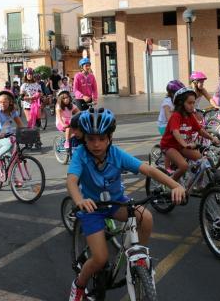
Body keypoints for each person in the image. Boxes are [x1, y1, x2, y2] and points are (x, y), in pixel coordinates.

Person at [67, 108, 185, 300]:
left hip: (116, 202)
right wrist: (80, 200)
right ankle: (78, 285)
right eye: (91, 139)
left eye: (102, 139)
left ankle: (140, 261)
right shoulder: (81, 154)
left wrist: (175, 185)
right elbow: (72, 180)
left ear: (110, 137)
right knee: (99, 259)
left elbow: (149, 170)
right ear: (84, 139)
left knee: (145, 216)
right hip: (92, 208)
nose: (96, 144)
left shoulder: (116, 154)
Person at [160, 87, 220, 182]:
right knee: (184, 166)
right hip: (170, 146)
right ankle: (170, 184)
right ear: (181, 103)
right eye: (189, 103)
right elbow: (175, 132)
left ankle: (197, 185)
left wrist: (212, 138)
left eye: (193, 103)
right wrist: (184, 144)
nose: (192, 105)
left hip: (183, 146)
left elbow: (200, 130)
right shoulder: (176, 116)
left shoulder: (190, 116)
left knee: (202, 161)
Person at [0, 90, 24, 178]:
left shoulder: (13, 112)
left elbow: (20, 124)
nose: (2, 104)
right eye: (0, 102)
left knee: (14, 157)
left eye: (4, 102)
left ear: (10, 102)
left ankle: (14, 178)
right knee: (8, 144)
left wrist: (26, 133)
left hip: (8, 133)